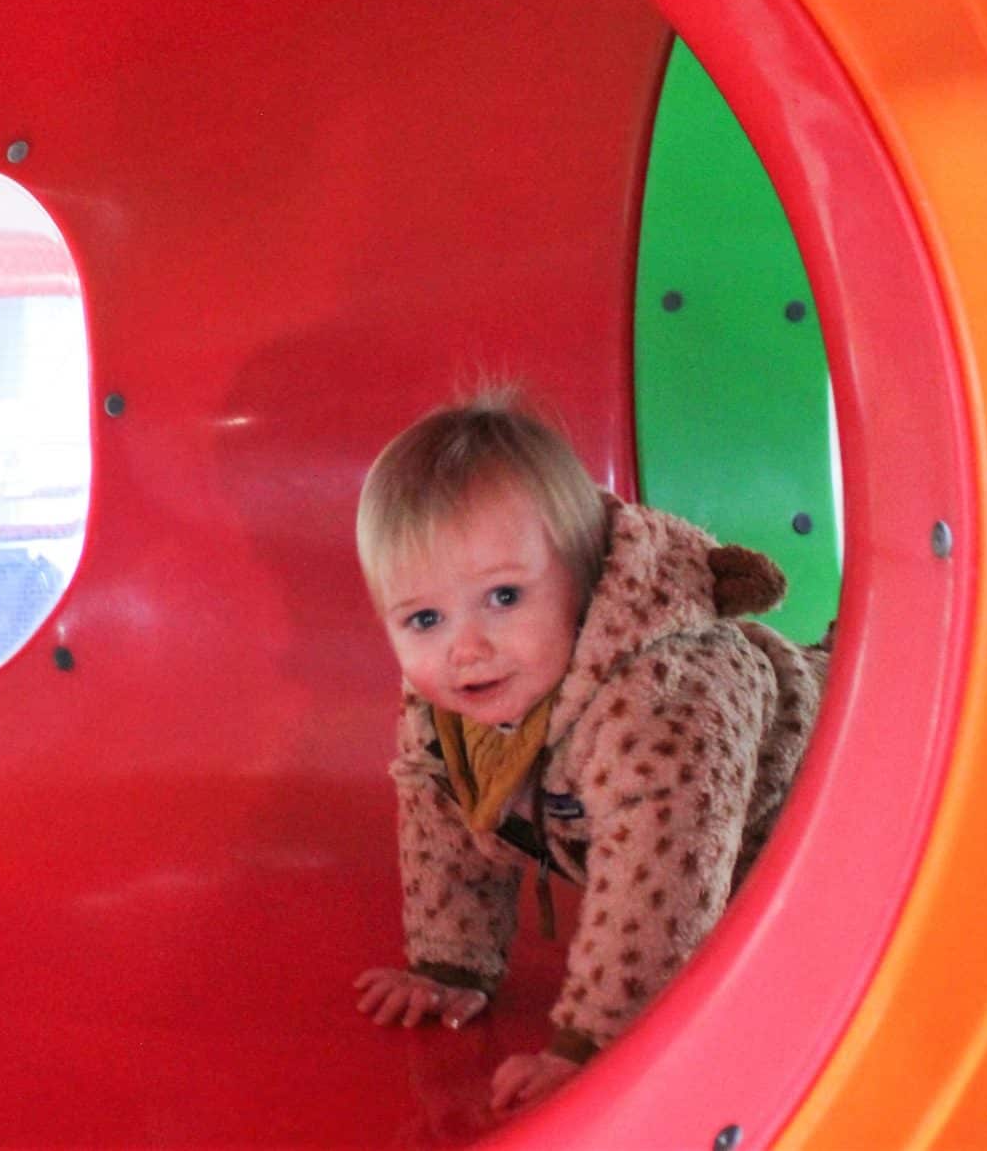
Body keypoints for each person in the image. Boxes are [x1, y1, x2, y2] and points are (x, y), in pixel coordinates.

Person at [350, 393, 828, 1115]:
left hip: (837, 771)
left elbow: (664, 879)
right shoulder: (454, 696)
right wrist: (452, 963)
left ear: (585, 581)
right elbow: (447, 821)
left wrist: (602, 1046)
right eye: (424, 618)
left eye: (505, 596)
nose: (466, 646)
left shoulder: (665, 701)